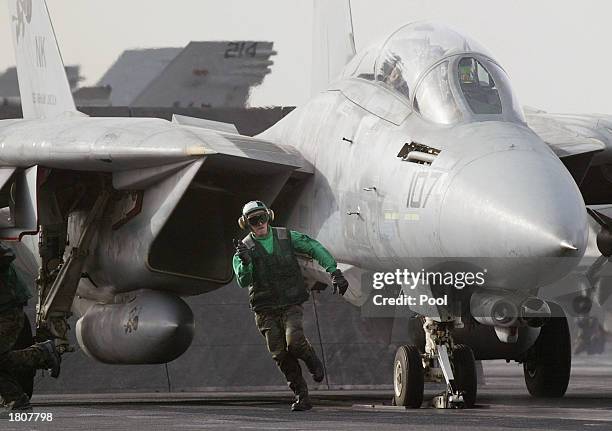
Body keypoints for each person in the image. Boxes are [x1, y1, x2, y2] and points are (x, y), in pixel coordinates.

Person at [233, 200, 349, 411]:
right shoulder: (244, 249)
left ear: (269, 216)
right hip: (265, 308)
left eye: (262, 218)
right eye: (253, 220)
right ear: (246, 223)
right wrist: (246, 262)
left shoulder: (286, 237)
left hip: (290, 303)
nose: (259, 223)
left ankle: (312, 360)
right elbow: (243, 280)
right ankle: (301, 395)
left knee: (294, 341)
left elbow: (313, 247)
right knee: (280, 353)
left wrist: (334, 271)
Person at [0, 243, 61, 417]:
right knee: (2, 358)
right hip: (6, 310)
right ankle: (17, 402)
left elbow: (5, 254)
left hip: (7, 313)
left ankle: (41, 354)